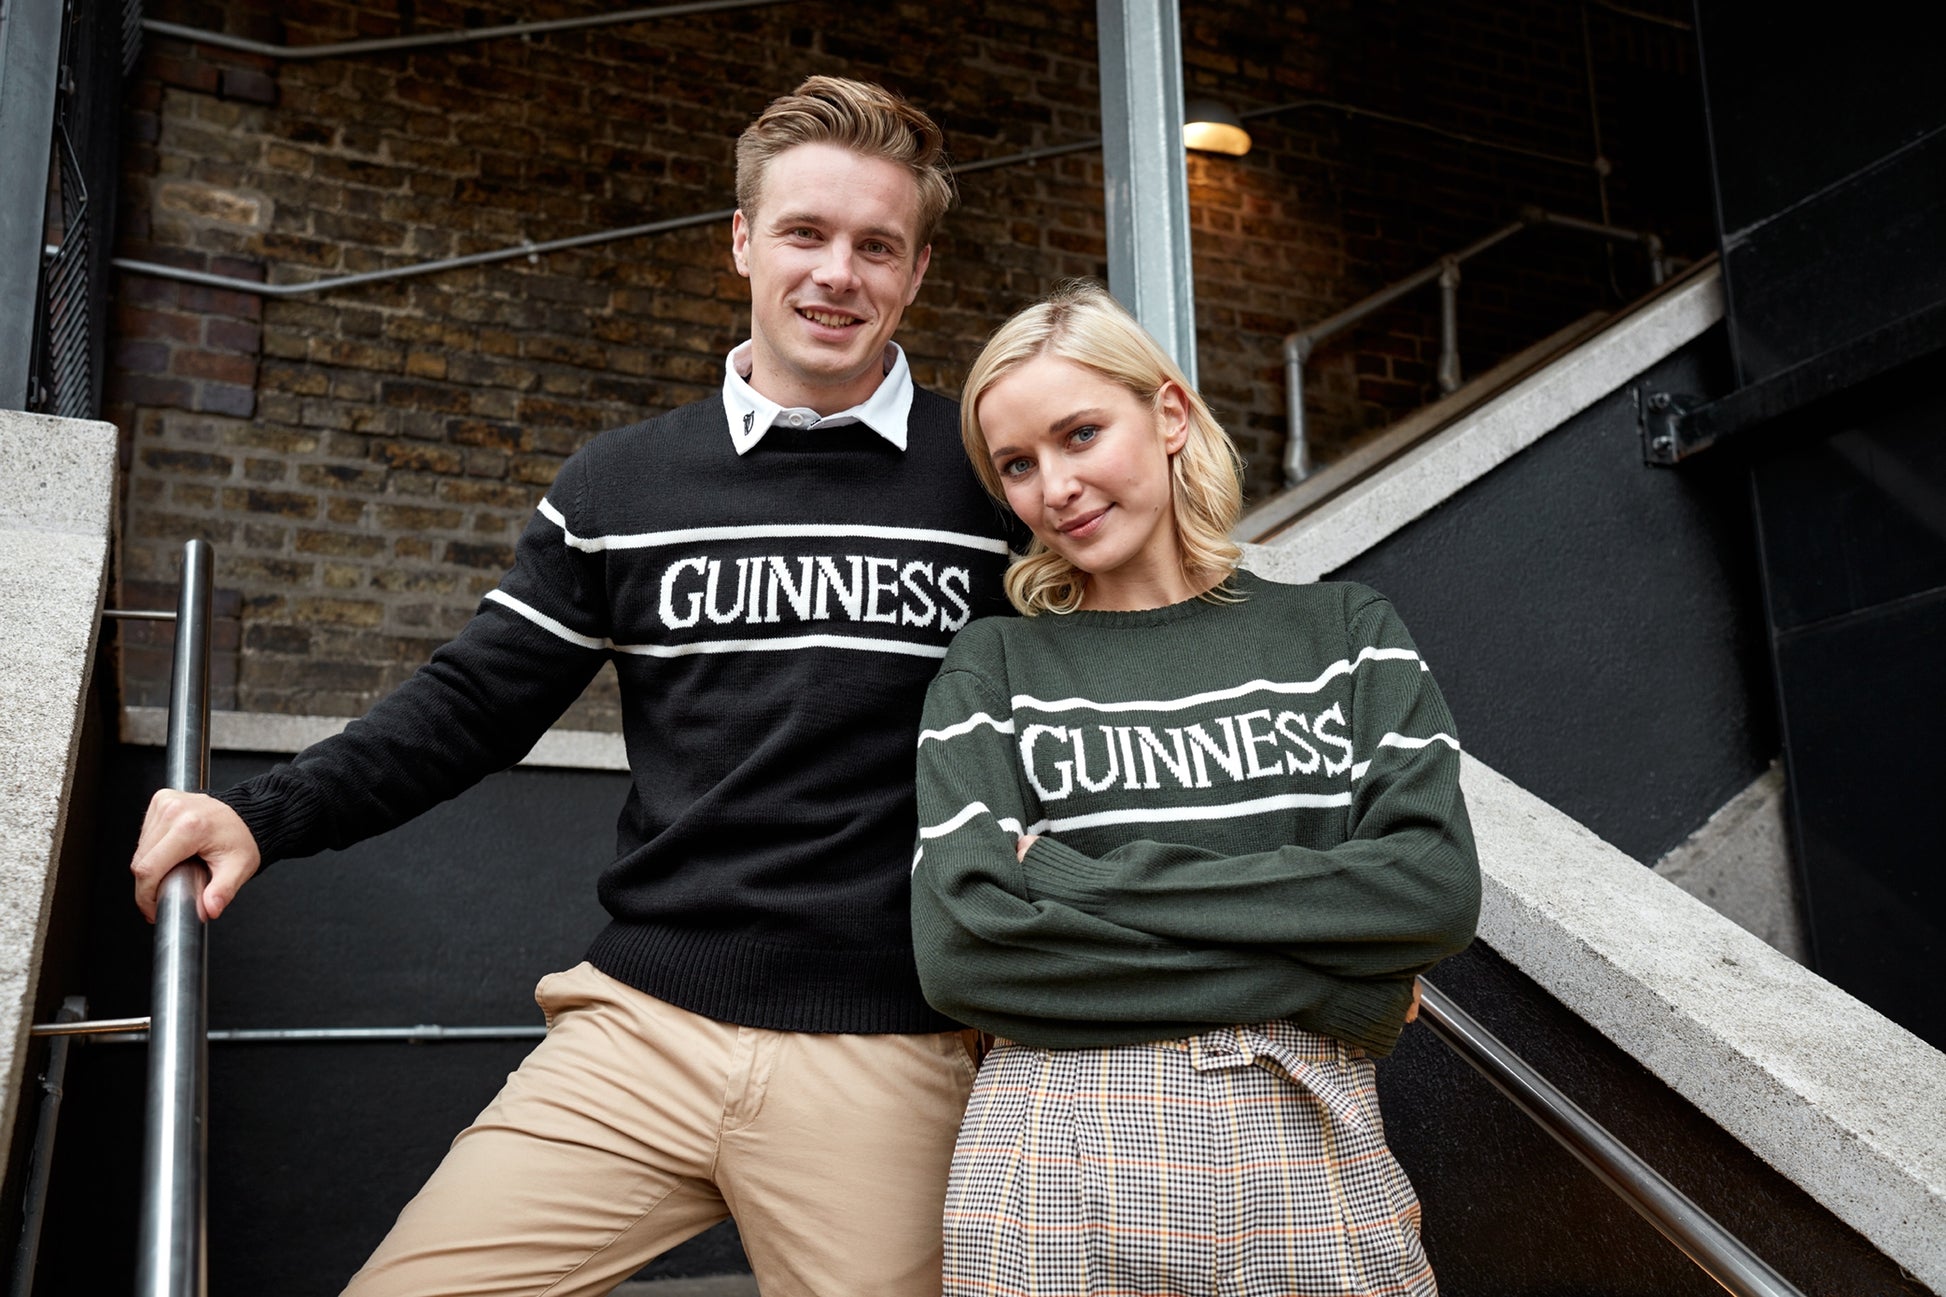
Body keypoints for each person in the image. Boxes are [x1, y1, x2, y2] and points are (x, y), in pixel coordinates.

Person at [129, 77, 1021, 1297]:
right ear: (742, 240)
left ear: (915, 274)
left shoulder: (988, 487)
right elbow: (473, 704)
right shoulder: (620, 486)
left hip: (883, 1046)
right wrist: (262, 811)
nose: (837, 274)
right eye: (806, 233)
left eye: (877, 246)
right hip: (638, 1029)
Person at [909, 282, 1481, 1296]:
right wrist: (1326, 985)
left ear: (1167, 414)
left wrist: (1084, 884)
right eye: (1017, 464)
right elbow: (962, 955)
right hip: (1053, 1142)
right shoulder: (992, 664)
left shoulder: (1343, 632)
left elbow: (1428, 889)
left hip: (1307, 1130)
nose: (1056, 486)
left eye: (1079, 433)